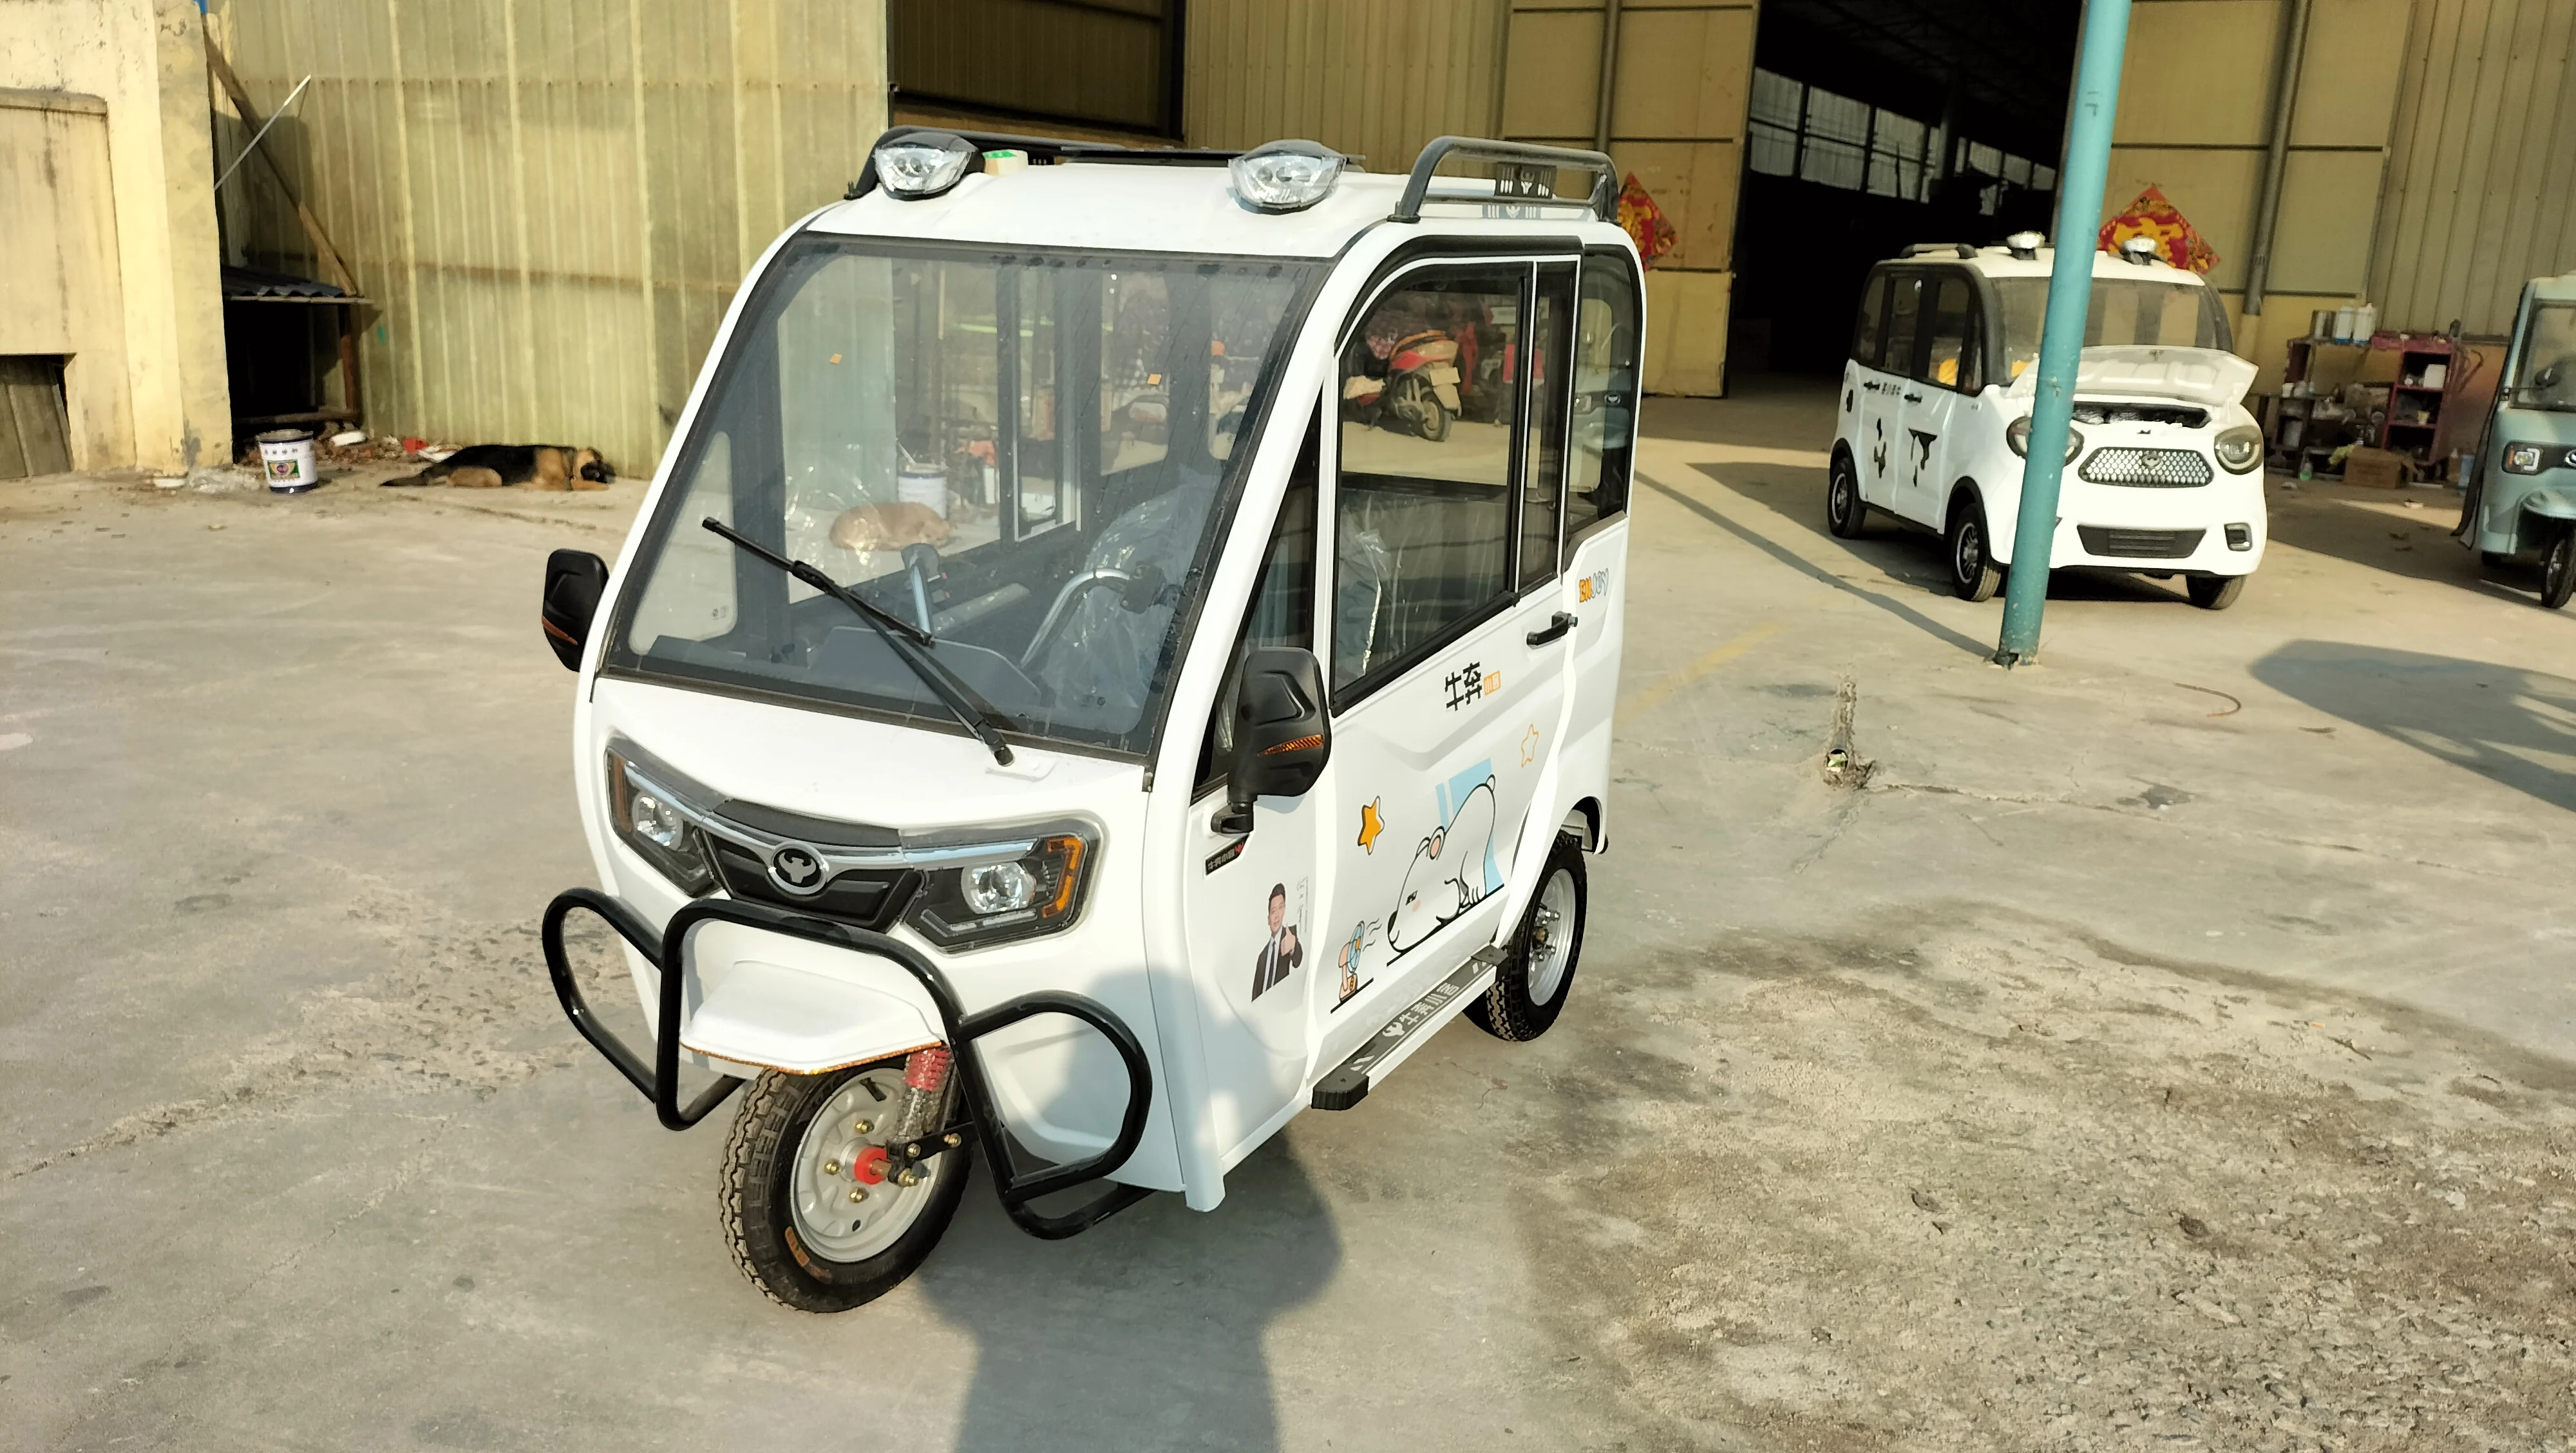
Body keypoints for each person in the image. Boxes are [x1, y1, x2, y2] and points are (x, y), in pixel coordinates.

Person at [1251, 883, 1300, 1000]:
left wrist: (1293, 947)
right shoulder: (1262, 957)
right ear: (1268, 920)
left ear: (1285, 910)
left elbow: (1298, 960)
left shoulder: (1290, 934)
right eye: (1273, 911)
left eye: (1280, 907)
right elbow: (1255, 995)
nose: (1277, 915)